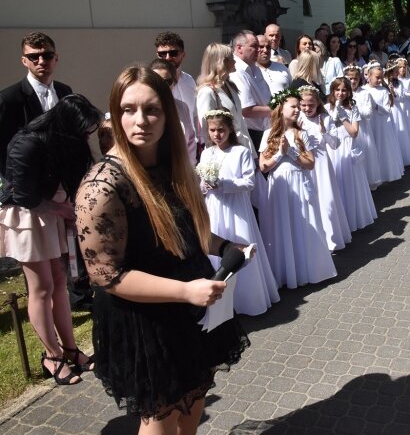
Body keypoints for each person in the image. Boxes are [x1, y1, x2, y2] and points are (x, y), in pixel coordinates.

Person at [75, 66, 249, 432]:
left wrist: (222, 245)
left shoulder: (173, 166)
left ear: (168, 114)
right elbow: (108, 276)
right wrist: (186, 291)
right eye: (128, 109)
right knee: (162, 418)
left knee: (193, 404)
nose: (141, 120)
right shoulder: (102, 186)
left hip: (190, 310)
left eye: (152, 109)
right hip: (146, 319)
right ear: (114, 113)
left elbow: (186, 230)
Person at [0, 94, 102, 385]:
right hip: (27, 217)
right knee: (41, 287)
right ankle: (51, 356)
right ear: (67, 124)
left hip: (53, 212)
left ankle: (70, 349)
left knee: (59, 281)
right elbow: (23, 195)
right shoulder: (27, 142)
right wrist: (62, 209)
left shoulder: (63, 141)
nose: (86, 137)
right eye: (84, 130)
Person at [198, 109, 279, 315]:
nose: (217, 134)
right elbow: (200, 183)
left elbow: (249, 182)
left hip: (236, 208)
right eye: (213, 130)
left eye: (221, 130)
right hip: (215, 207)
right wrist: (206, 186)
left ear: (230, 129)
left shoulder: (241, 152)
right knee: (218, 245)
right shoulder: (207, 153)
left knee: (240, 243)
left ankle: (248, 298)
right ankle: (223, 301)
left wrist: (223, 184)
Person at [258, 88, 336, 289]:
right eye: (293, 106)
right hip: (280, 186)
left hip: (299, 183)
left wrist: (291, 153)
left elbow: (310, 163)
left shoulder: (302, 133)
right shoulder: (268, 134)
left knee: (302, 224)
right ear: (281, 108)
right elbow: (263, 166)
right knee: (283, 224)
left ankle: (306, 268)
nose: (297, 110)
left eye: (298, 107)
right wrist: (279, 154)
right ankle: (286, 271)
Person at [0, 32, 72, 176]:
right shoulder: (8, 98)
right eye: (33, 57)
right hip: (27, 183)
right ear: (24, 61)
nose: (41, 61)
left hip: (63, 180)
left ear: (56, 58)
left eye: (47, 55)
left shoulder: (65, 91)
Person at [297, 87, 352, 251]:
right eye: (304, 105)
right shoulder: (298, 119)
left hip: (322, 165)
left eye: (311, 105)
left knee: (327, 201)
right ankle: (314, 241)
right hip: (305, 165)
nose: (307, 109)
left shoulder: (325, 118)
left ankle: (332, 239)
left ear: (318, 103)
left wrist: (324, 131)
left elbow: (335, 144)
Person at [324, 77, 377, 231]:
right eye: (337, 90)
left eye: (344, 90)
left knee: (350, 183)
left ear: (348, 92)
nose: (340, 93)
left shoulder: (352, 108)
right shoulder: (326, 108)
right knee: (336, 183)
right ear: (332, 91)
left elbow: (354, 132)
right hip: (333, 149)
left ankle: (352, 218)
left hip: (348, 148)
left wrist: (343, 117)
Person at [195, 43, 254, 157]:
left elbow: (240, 123)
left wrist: (253, 155)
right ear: (223, 62)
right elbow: (206, 130)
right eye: (232, 58)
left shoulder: (230, 86)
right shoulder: (207, 92)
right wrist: (213, 158)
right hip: (224, 153)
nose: (235, 61)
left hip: (243, 149)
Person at [154, 32, 198, 164]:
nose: (167, 58)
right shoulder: (151, 83)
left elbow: (194, 113)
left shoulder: (189, 80)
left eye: (173, 53)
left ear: (183, 54)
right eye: (162, 54)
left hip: (191, 148)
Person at [229, 30, 270, 151]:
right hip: (251, 134)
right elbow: (246, 110)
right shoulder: (236, 71)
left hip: (264, 130)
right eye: (254, 46)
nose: (259, 50)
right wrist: (277, 110)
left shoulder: (255, 68)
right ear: (239, 48)